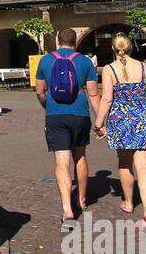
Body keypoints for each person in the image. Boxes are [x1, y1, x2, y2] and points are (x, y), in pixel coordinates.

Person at [92, 33, 146, 231]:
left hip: (120, 120)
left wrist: (98, 123)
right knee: (144, 166)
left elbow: (106, 99)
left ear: (113, 49)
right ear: (131, 48)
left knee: (124, 162)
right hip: (142, 118)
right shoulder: (143, 67)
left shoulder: (109, 69)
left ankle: (129, 202)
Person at [35, 28, 99, 231]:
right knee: (80, 157)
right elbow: (93, 93)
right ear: (76, 42)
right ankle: (81, 199)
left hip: (55, 115)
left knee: (61, 162)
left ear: (57, 40)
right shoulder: (85, 62)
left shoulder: (45, 61)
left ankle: (67, 209)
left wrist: (48, 107)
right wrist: (100, 121)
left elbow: (40, 91)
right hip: (80, 114)